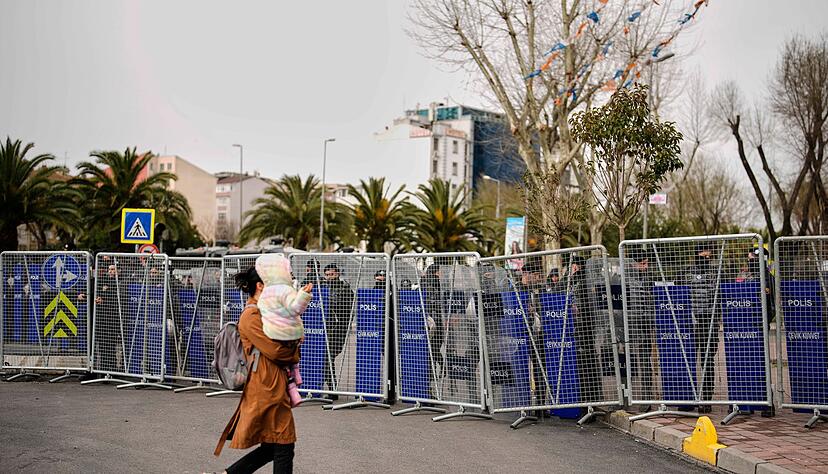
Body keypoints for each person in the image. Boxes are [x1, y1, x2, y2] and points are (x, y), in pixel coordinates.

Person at [214, 266, 302, 474]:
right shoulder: (251, 316)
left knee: (274, 445)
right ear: (260, 286)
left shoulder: (264, 312)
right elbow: (275, 351)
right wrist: (295, 348)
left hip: (271, 382)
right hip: (265, 384)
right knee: (283, 443)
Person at [256, 254, 313, 407]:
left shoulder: (266, 292)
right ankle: (295, 384)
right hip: (288, 334)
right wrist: (304, 294)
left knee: (282, 369)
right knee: (290, 363)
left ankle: (292, 385)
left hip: (271, 334)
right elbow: (295, 309)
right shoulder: (284, 290)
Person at [687, 241, 720, 413]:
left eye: (709, 256)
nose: (707, 258)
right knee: (690, 359)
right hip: (691, 321)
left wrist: (717, 319)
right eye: (704, 255)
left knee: (707, 359)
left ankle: (706, 397)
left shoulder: (715, 272)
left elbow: (719, 296)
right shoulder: (687, 273)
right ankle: (690, 396)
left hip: (709, 320)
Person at [570, 255, 602, 406]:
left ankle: (587, 399)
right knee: (590, 359)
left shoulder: (578, 281)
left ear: (575, 267)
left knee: (584, 362)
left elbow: (577, 305)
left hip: (582, 327)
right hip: (589, 326)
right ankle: (594, 397)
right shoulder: (589, 280)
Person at [626, 247, 655, 411]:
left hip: (644, 325)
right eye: (643, 264)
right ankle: (626, 396)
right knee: (628, 362)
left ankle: (646, 399)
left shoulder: (649, 279)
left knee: (645, 362)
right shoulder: (623, 278)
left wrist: (651, 320)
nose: (646, 267)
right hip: (628, 326)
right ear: (634, 264)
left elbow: (652, 303)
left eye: (647, 264)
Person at [320, 263, 353, 397]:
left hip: (338, 329)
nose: (329, 277)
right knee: (324, 358)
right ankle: (328, 388)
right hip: (324, 329)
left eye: (331, 274)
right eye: (327, 275)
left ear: (338, 274)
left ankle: (333, 390)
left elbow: (347, 311)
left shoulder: (345, 289)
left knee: (328, 357)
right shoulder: (322, 288)